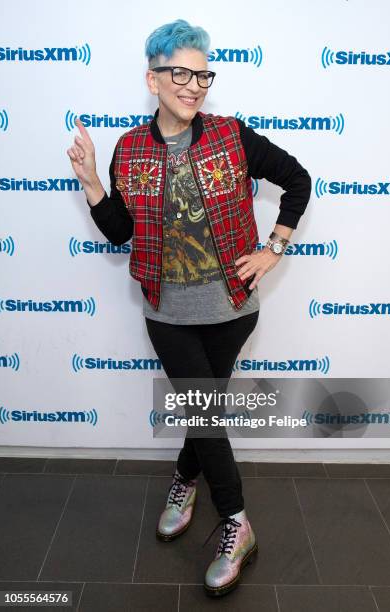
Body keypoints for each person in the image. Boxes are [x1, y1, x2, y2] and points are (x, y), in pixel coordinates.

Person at [67, 19, 311, 598]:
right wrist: (93, 185)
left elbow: (298, 179)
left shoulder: (231, 136)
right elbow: (120, 233)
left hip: (233, 308)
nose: (194, 84)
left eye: (202, 74)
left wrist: (273, 248)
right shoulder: (129, 149)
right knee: (206, 415)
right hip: (169, 313)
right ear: (152, 79)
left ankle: (184, 478)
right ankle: (237, 522)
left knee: (202, 413)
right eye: (181, 72)